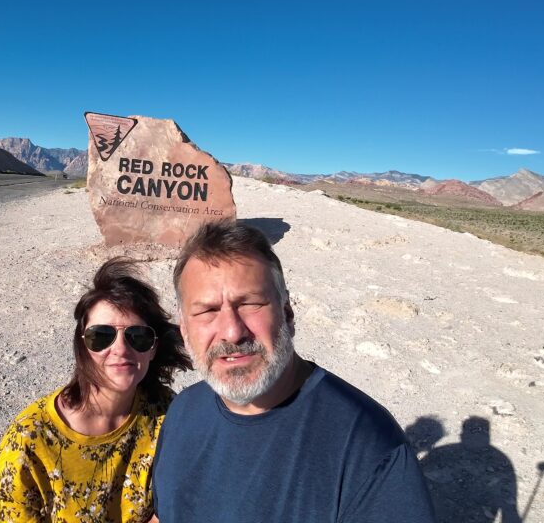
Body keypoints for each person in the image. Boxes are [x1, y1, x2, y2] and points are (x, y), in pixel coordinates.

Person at [152, 221, 436, 522]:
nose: (232, 333)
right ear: (184, 331)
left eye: (250, 304)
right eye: (207, 311)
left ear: (287, 314)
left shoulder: (366, 447)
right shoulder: (183, 411)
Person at [0, 257, 191, 522]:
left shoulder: (165, 412)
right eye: (102, 336)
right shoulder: (31, 439)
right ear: (83, 345)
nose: (120, 349)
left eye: (137, 336)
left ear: (153, 348)